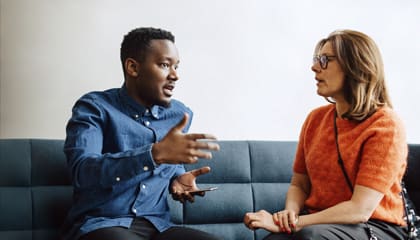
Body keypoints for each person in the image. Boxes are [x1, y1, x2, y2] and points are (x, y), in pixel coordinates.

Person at [244, 29, 409, 240]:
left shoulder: (386, 125)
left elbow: (360, 210)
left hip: (375, 226)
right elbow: (299, 184)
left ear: (355, 67)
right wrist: (289, 215)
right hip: (319, 223)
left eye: (325, 60)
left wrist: (295, 223)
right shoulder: (316, 119)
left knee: (311, 237)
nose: (314, 67)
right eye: (316, 59)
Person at [61, 27, 222, 240]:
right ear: (133, 67)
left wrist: (177, 177)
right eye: (165, 65)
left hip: (158, 226)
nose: (175, 75)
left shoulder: (179, 114)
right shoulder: (94, 107)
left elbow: (170, 163)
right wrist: (153, 154)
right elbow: (83, 173)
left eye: (176, 66)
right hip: (102, 224)